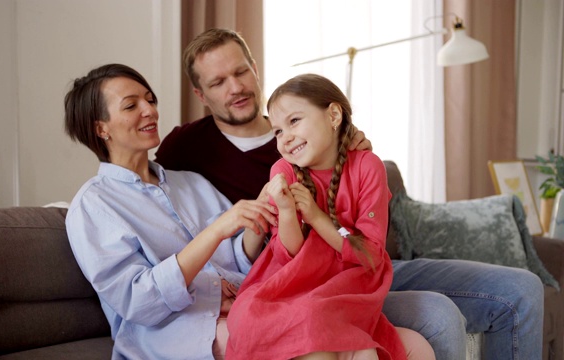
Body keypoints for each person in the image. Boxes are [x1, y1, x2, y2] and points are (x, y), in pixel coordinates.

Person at [155, 28, 545, 360]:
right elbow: (151, 202)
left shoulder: (321, 129)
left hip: (364, 259)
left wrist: (350, 148)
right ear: (201, 95)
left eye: (241, 71)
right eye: (218, 82)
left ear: (255, 69)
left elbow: (366, 228)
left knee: (522, 289)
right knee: (439, 315)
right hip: (293, 275)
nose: (236, 87)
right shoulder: (185, 147)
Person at [63, 63, 279, 359]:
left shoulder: (191, 183)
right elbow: (139, 300)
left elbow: (238, 257)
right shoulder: (94, 205)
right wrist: (215, 233)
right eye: (131, 105)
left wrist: (260, 213)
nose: (150, 110)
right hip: (177, 335)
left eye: (150, 100)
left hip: (244, 305)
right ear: (101, 128)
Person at [226, 73, 435, 360]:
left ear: (333, 114)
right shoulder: (283, 172)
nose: (285, 138)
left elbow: (370, 255)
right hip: (289, 286)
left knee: (347, 340)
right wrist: (287, 212)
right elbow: (288, 257)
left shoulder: (367, 167)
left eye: (294, 121)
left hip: (347, 286)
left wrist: (315, 216)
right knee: (296, 327)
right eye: (277, 131)